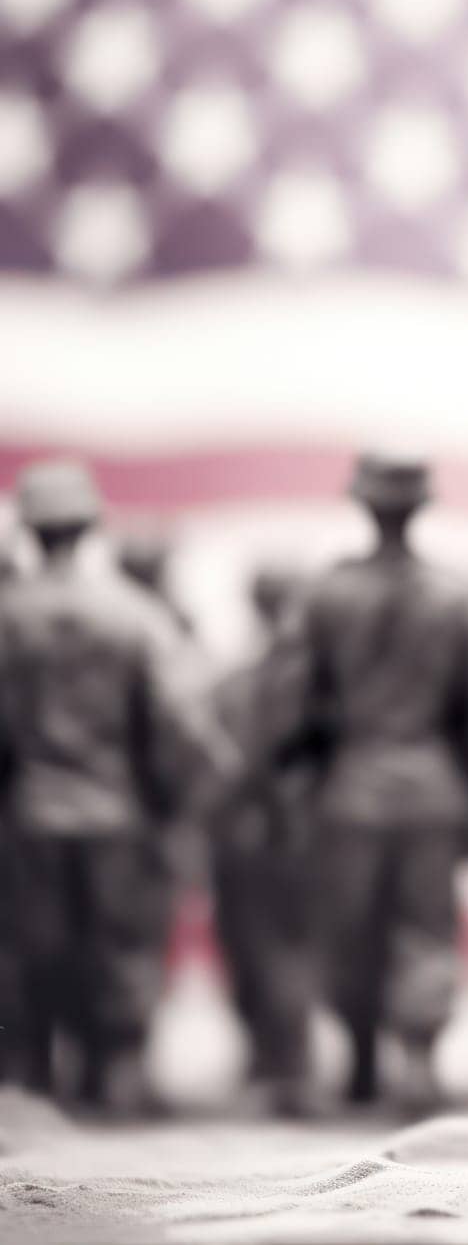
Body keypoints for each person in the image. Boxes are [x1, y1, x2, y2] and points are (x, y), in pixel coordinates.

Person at [252, 450, 468, 1110]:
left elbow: (286, 700)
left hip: (351, 788)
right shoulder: (455, 596)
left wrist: (288, 772)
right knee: (427, 926)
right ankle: (417, 1058)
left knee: (350, 927)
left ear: (363, 503)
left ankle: (360, 1058)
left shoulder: (325, 593)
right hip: (431, 785)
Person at [0, 461, 227, 1112]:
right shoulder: (134, 615)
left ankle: (34, 1076)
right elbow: (179, 723)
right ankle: (117, 1073)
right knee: (121, 947)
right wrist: (175, 802)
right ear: (91, 524)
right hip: (116, 813)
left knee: (28, 945)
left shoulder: (7, 615)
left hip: (26, 814)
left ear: (30, 527)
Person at [211, 562, 318, 1114]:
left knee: (257, 949)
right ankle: (289, 1065)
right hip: (296, 827)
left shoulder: (232, 679)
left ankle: (278, 1064)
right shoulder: (312, 680)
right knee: (290, 948)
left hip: (246, 828)